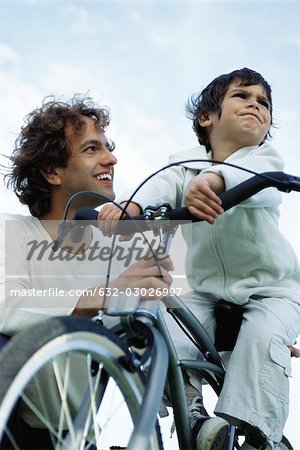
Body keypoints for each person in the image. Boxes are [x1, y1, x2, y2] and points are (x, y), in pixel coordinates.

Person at [99, 68, 300, 450]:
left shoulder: (264, 157)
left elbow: (260, 179)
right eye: (242, 96)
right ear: (207, 117)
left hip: (271, 289)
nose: (255, 105)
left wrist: (211, 182)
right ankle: (190, 412)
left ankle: (255, 435)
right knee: (166, 328)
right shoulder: (183, 164)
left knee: (264, 338)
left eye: (264, 102)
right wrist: (132, 204)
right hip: (205, 289)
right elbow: (161, 183)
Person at [0, 95, 173, 447]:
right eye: (92, 149)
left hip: (73, 433)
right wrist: (100, 296)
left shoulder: (122, 256)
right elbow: (6, 303)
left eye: (108, 148)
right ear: (52, 171)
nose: (111, 158)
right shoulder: (11, 231)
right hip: (14, 418)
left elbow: (157, 342)